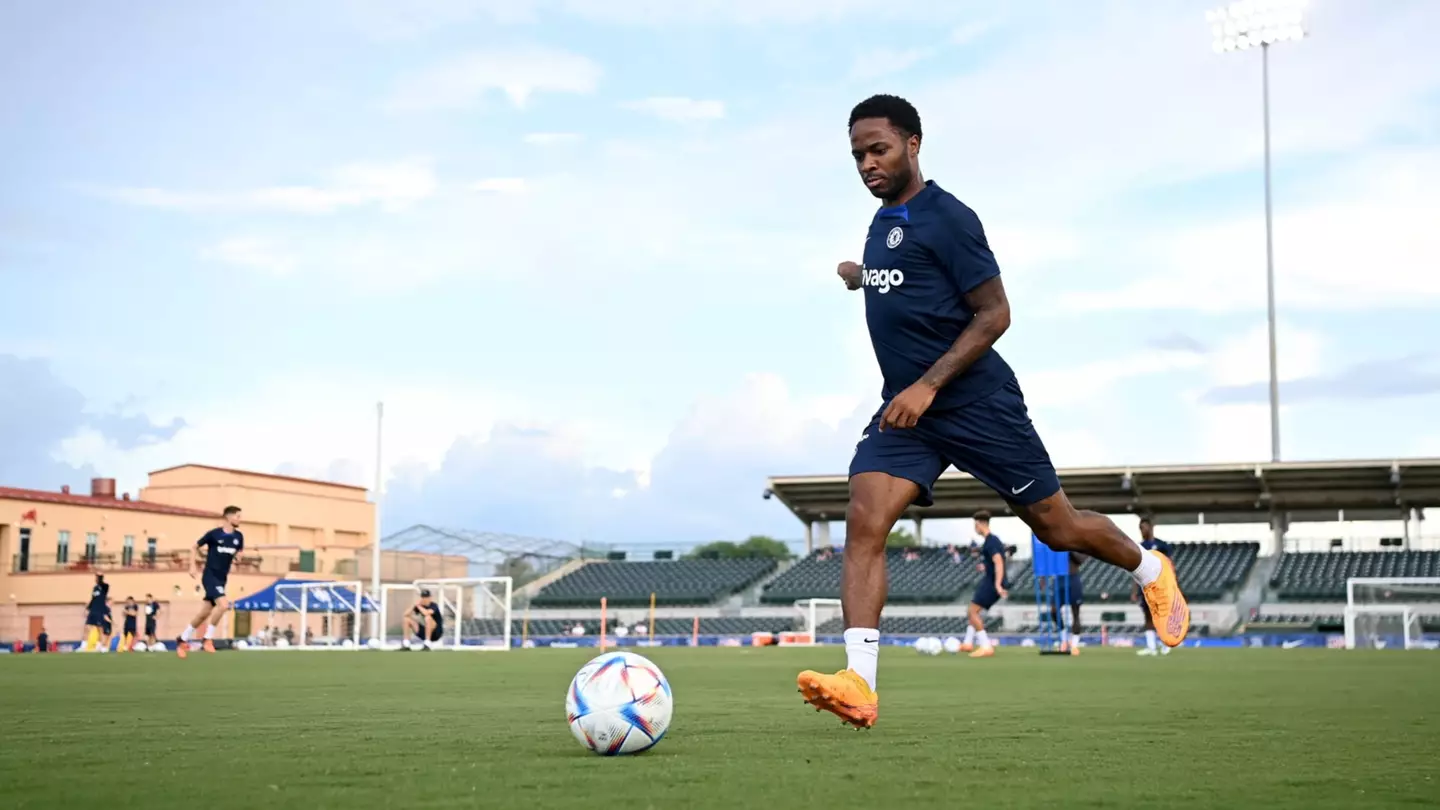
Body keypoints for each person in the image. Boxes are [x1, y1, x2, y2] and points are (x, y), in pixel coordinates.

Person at [797, 94, 1189, 729]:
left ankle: (1150, 567)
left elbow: (995, 313)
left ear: (913, 145)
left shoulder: (950, 217)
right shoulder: (882, 224)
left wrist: (928, 385)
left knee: (1057, 527)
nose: (867, 164)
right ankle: (860, 684)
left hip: (977, 403)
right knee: (864, 519)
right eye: (858, 155)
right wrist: (861, 275)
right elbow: (912, 282)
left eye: (879, 150)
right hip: (908, 414)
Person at [176, 505, 244, 659]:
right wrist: (192, 566)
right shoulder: (214, 534)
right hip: (210, 576)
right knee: (224, 605)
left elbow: (239, 553)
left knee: (203, 614)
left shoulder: (238, 537)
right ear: (229, 517)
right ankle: (207, 639)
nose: (240, 519)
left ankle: (182, 639)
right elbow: (194, 547)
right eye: (238, 516)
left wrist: (239, 557)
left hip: (222, 578)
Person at [960, 511, 1006, 656]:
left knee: (972, 611)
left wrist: (998, 585)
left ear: (980, 524)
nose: (975, 528)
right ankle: (968, 643)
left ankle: (986, 646)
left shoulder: (991, 541)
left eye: (975, 525)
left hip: (992, 582)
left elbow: (998, 562)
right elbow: (995, 562)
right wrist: (985, 567)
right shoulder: (990, 541)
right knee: (975, 612)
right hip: (990, 580)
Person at [1132, 517, 1176, 656]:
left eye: (1144, 527)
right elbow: (1135, 568)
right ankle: (1151, 647)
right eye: (1140, 528)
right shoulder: (1139, 547)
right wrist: (1134, 590)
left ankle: (1166, 644)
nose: (1142, 531)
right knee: (1148, 616)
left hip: (1160, 585)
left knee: (1162, 615)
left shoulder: (1162, 545)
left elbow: (1169, 565)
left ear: (1151, 527)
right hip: (1145, 585)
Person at [83, 573, 109, 651]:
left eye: (97, 578)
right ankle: (84, 644)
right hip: (93, 610)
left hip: (99, 610)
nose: (95, 579)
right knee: (86, 627)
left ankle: (101, 646)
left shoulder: (105, 587)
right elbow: (93, 599)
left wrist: (100, 577)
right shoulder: (95, 588)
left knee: (100, 629)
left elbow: (104, 585)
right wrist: (87, 608)